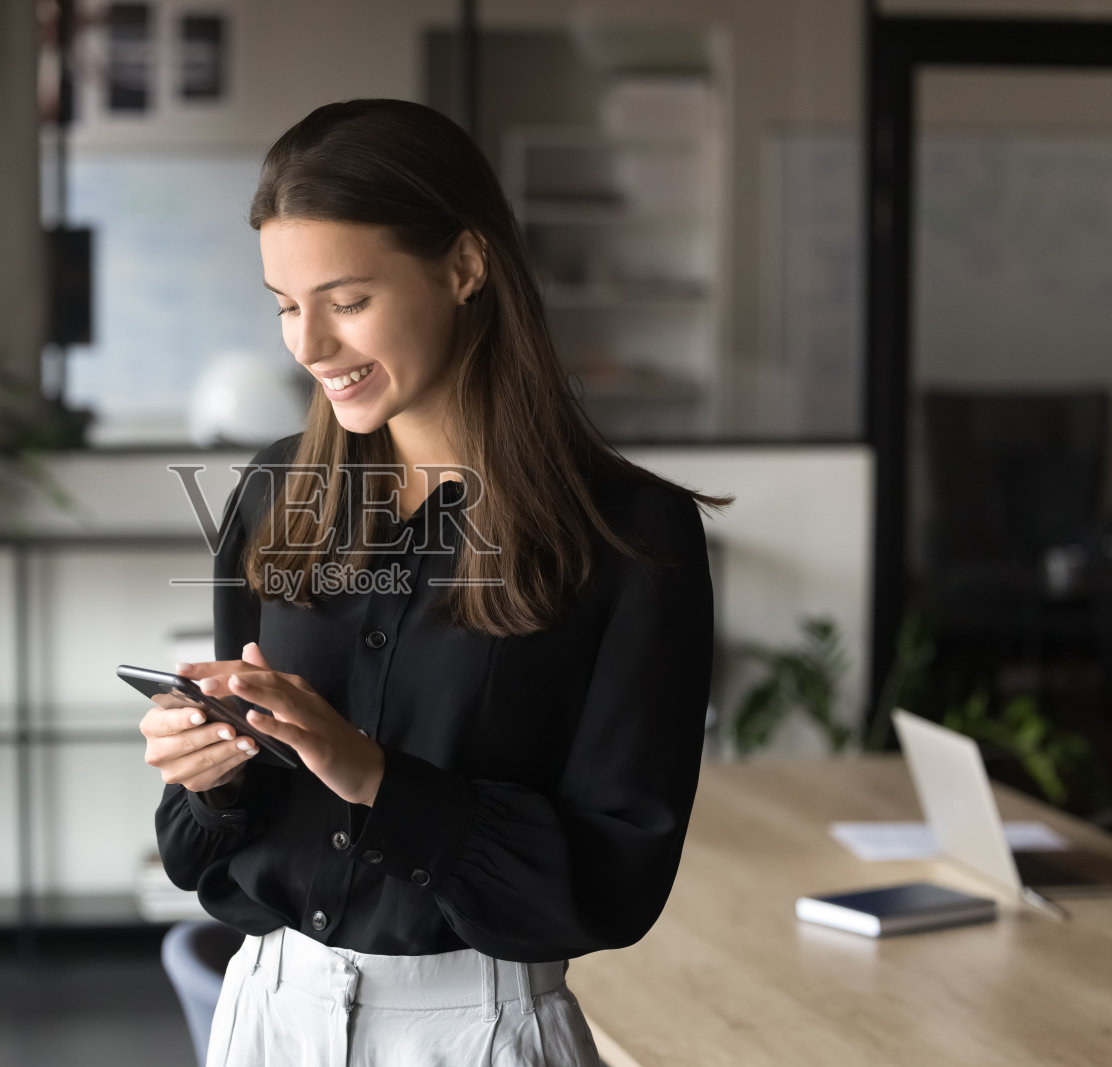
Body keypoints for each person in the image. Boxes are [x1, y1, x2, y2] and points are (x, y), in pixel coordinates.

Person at [140, 98, 730, 1067]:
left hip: (477, 1031)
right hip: (267, 1014)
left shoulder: (631, 536)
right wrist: (210, 774)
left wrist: (374, 776)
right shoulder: (274, 493)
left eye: (346, 300)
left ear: (463, 266)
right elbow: (196, 851)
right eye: (286, 305)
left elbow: (617, 878)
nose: (308, 345)